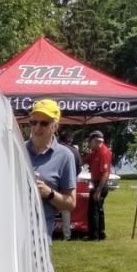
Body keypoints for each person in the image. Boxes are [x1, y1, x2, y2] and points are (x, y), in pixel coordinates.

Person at [24, 98, 76, 239]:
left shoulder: (65, 156)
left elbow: (71, 204)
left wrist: (49, 193)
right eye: (33, 122)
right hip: (10, 234)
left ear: (55, 126)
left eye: (44, 123)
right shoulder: (18, 150)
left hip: (40, 239)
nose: (37, 127)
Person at [85, 129, 112, 241]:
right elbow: (86, 160)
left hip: (100, 184)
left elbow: (105, 173)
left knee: (94, 210)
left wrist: (98, 190)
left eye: (90, 141)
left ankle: (94, 236)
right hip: (97, 183)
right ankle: (101, 233)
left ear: (96, 141)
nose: (89, 144)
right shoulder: (95, 152)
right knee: (99, 209)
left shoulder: (104, 153)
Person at [58, 132, 82, 241]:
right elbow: (80, 168)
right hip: (70, 183)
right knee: (66, 209)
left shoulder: (59, 149)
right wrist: (72, 176)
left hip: (57, 181)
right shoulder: (75, 151)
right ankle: (67, 234)